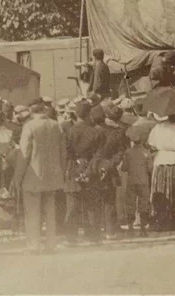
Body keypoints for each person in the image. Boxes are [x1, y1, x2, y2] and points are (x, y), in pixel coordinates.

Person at [13, 101, 66, 253]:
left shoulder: (29, 126)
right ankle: (51, 244)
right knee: (50, 211)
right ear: (44, 109)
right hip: (53, 175)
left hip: (33, 175)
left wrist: (18, 178)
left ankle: (34, 245)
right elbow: (63, 152)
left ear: (31, 110)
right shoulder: (56, 125)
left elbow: (24, 154)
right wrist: (61, 172)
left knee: (32, 212)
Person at [63, 101, 102, 244]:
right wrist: (88, 170)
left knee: (72, 207)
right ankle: (94, 237)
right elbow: (98, 156)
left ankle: (70, 238)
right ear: (88, 114)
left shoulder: (69, 132)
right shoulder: (95, 132)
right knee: (92, 206)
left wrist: (74, 169)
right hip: (90, 172)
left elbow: (66, 155)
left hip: (73, 170)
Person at [147, 114, 175, 230]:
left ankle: (160, 218)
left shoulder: (157, 128)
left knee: (159, 189)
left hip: (160, 160)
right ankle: (174, 218)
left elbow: (152, 144)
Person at [93, 104, 127, 239]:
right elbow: (120, 152)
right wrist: (108, 165)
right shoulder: (114, 133)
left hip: (93, 170)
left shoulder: (91, 132)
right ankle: (110, 230)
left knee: (95, 201)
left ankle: (96, 231)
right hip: (109, 169)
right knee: (109, 201)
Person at [119, 132, 153, 236]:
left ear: (133, 141)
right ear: (142, 141)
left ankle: (130, 228)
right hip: (143, 181)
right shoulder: (147, 153)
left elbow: (123, 168)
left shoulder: (128, 152)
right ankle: (143, 229)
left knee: (130, 204)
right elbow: (150, 169)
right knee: (143, 204)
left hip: (132, 181)